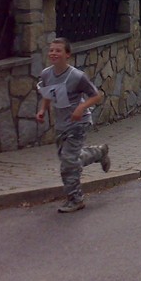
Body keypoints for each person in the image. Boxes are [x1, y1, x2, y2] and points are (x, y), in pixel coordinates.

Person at [36, 37, 109, 213]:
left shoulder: (76, 76)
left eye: (58, 50)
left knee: (68, 162)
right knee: (70, 159)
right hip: (62, 124)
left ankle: (75, 199)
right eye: (51, 50)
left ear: (67, 54)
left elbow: (96, 96)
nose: (53, 53)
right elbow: (47, 94)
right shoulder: (46, 74)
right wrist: (42, 110)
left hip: (79, 122)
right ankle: (99, 152)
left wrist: (81, 108)